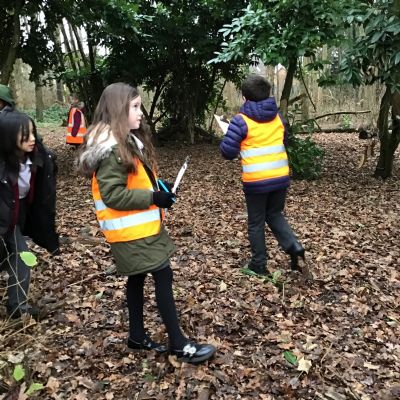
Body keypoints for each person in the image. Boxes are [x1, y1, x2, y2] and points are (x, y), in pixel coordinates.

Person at [77, 83, 215, 364]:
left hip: (137, 231)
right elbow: (113, 195)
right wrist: (153, 197)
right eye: (135, 107)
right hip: (130, 232)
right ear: (119, 110)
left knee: (138, 277)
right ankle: (179, 344)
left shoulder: (124, 142)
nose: (141, 113)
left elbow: (134, 181)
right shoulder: (113, 149)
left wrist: (159, 188)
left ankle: (137, 337)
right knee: (162, 274)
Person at [220, 74, 305, 276]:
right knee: (274, 214)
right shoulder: (278, 118)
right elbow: (284, 140)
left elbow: (227, 152)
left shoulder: (240, 121)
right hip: (280, 177)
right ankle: (294, 247)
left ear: (244, 98)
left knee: (256, 222)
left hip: (256, 181)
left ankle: (258, 264)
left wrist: (230, 136)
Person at [0, 111, 59, 319]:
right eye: (25, 135)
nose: (32, 139)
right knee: (16, 256)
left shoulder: (38, 158)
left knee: (22, 256)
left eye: (33, 133)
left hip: (15, 219)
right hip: (3, 220)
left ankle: (17, 307)